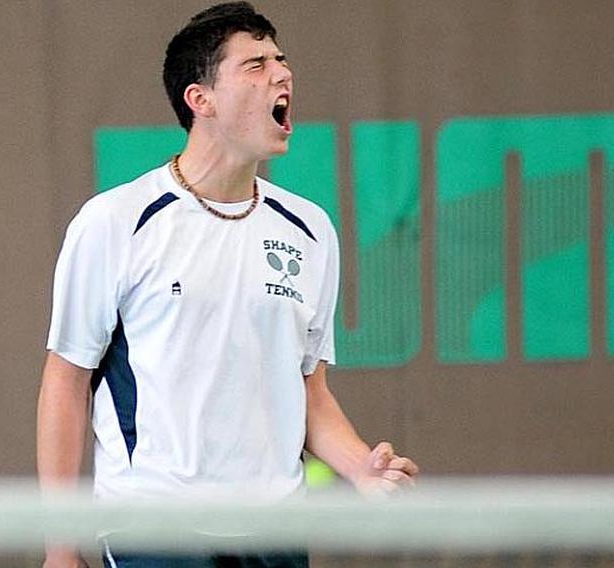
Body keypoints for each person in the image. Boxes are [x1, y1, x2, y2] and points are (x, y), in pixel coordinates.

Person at [36, 3, 419, 567]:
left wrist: (361, 466)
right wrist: (61, 546)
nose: (282, 73)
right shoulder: (116, 222)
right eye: (256, 64)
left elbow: (310, 392)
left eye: (282, 59)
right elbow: (66, 384)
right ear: (202, 99)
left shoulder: (311, 230)